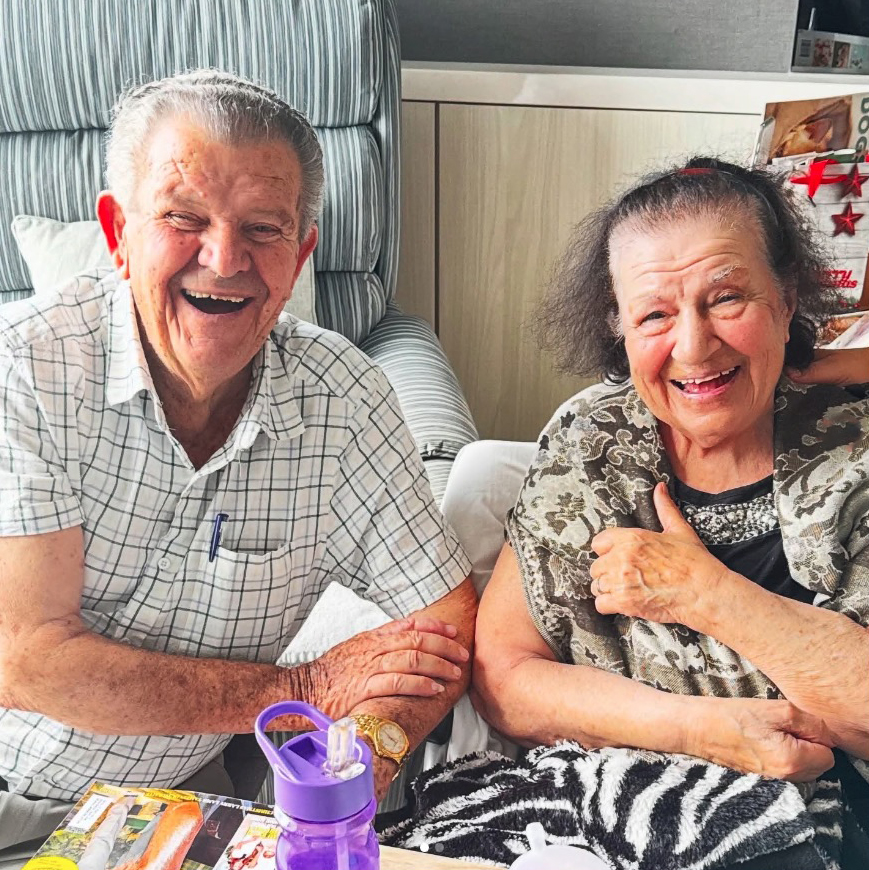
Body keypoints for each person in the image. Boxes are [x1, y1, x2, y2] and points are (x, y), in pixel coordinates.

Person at [0, 70, 476, 857]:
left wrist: (351, 767)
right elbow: (27, 660)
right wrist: (298, 695)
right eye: (183, 219)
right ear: (118, 233)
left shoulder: (343, 398)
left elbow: (440, 624)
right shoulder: (25, 371)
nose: (224, 259)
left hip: (165, 814)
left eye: (263, 228)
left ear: (300, 255)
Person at [465, 158, 868, 863]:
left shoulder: (854, 446)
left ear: (785, 296)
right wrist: (700, 728)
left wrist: (702, 594)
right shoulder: (590, 441)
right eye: (654, 314)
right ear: (618, 327)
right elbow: (505, 680)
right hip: (594, 810)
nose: (692, 345)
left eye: (726, 299)